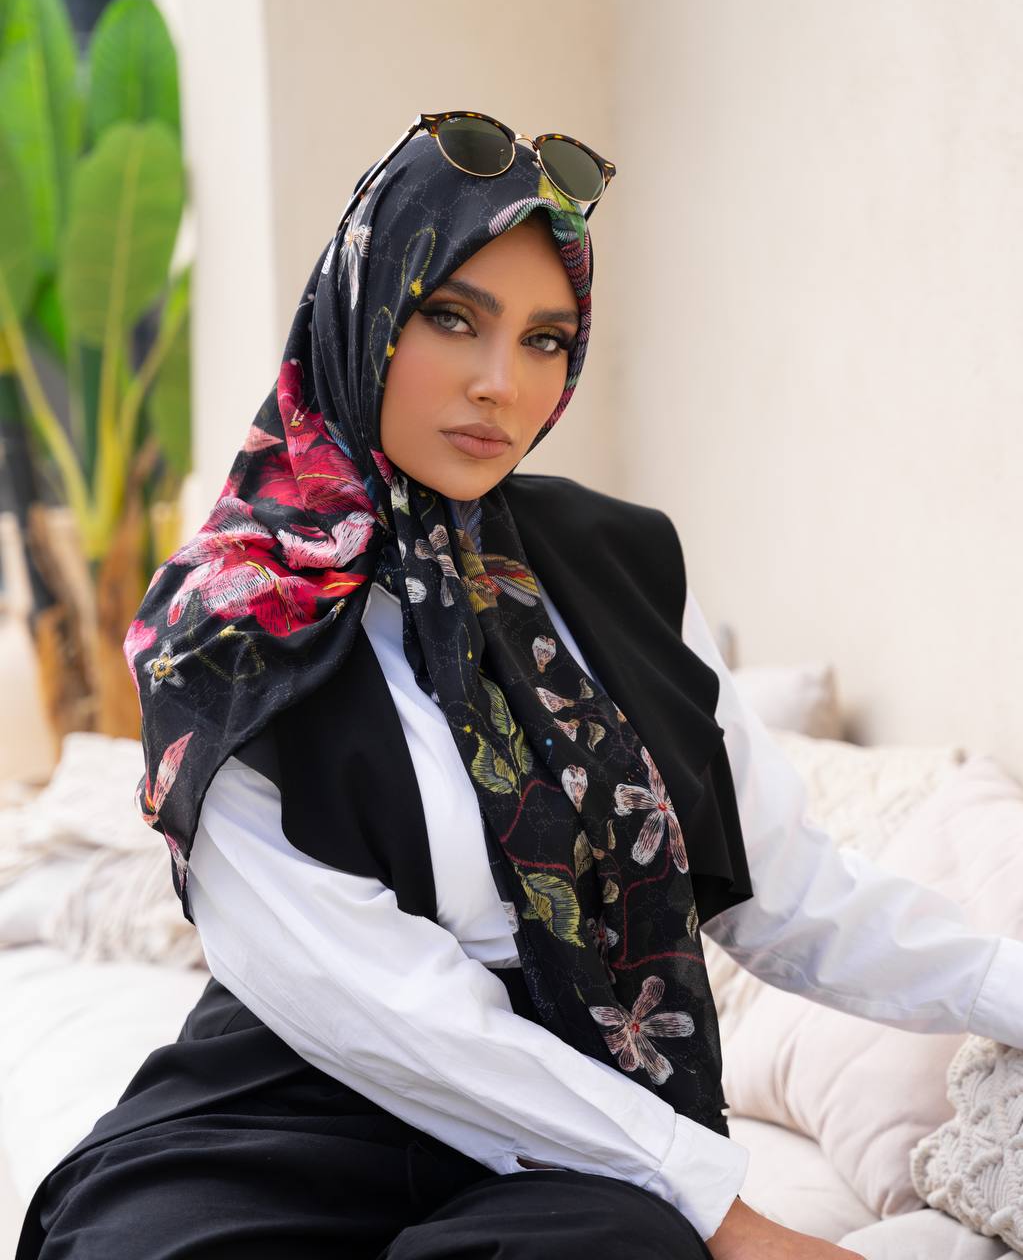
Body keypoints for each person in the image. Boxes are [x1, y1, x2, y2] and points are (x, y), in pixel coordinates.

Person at [16, 113, 1022, 1260]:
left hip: (572, 1126)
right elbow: (379, 1006)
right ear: (365, 309)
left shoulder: (620, 565)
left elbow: (784, 886)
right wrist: (725, 1209)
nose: (503, 384)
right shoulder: (231, 620)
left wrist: (1008, 983)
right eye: (454, 317)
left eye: (546, 339)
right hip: (290, 1100)